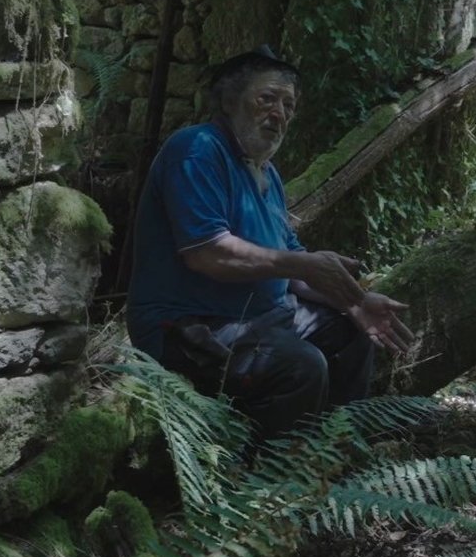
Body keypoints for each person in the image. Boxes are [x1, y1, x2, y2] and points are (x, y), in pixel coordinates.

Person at [126, 46, 413, 440]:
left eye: (288, 105)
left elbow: (292, 262)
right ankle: (269, 481)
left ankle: (329, 457)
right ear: (229, 101)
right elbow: (208, 253)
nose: (279, 114)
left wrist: (356, 302)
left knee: (353, 337)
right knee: (301, 366)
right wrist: (302, 265)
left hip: (262, 318)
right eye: (267, 99)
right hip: (188, 325)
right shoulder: (196, 149)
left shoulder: (267, 174)